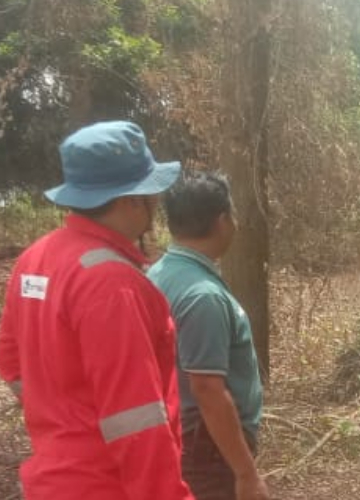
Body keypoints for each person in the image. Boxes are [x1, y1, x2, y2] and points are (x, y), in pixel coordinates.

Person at [0, 121, 194, 500]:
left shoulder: (34, 259)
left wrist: (63, 414)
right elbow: (137, 419)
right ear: (131, 200)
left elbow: (10, 364)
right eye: (150, 193)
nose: (155, 204)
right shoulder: (113, 285)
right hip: (106, 486)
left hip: (49, 481)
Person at [148, 172, 269, 500]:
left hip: (182, 437)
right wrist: (246, 473)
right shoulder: (204, 296)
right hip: (209, 450)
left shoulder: (156, 275)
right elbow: (206, 389)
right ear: (222, 221)